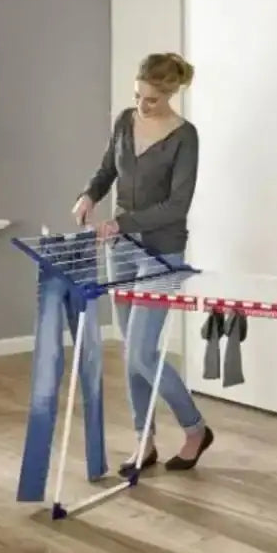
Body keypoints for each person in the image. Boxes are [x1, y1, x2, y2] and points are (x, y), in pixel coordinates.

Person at [72, 51, 213, 476]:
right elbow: (106, 171)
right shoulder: (124, 122)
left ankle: (195, 429)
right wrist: (89, 195)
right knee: (130, 351)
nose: (141, 105)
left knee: (142, 353)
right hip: (121, 249)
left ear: (171, 93)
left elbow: (177, 206)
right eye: (137, 96)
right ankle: (143, 441)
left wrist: (123, 222)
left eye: (151, 99)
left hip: (161, 252)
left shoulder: (185, 137)